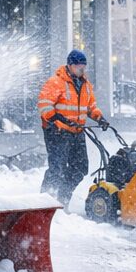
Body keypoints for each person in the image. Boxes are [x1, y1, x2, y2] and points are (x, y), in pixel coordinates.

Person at [38, 48, 108, 206]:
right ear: (69, 65)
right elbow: (44, 105)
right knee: (57, 168)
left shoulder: (86, 85)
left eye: (84, 66)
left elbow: (91, 107)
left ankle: (62, 197)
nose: (82, 69)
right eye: (78, 66)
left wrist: (100, 118)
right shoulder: (56, 82)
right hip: (57, 131)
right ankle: (42, 202)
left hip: (77, 132)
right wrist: (56, 119)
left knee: (81, 168)